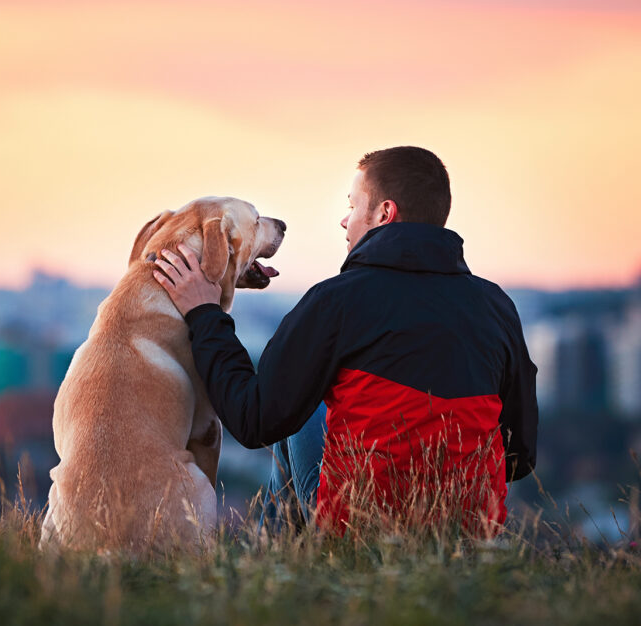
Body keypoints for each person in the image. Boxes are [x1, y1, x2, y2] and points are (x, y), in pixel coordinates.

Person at [152, 146, 537, 536]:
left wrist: (204, 314)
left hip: (362, 528)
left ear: (384, 214)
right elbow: (519, 455)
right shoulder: (496, 307)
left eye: (353, 206)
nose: (343, 220)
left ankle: (277, 570)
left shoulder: (335, 301)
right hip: (469, 533)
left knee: (296, 414)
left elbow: (253, 420)